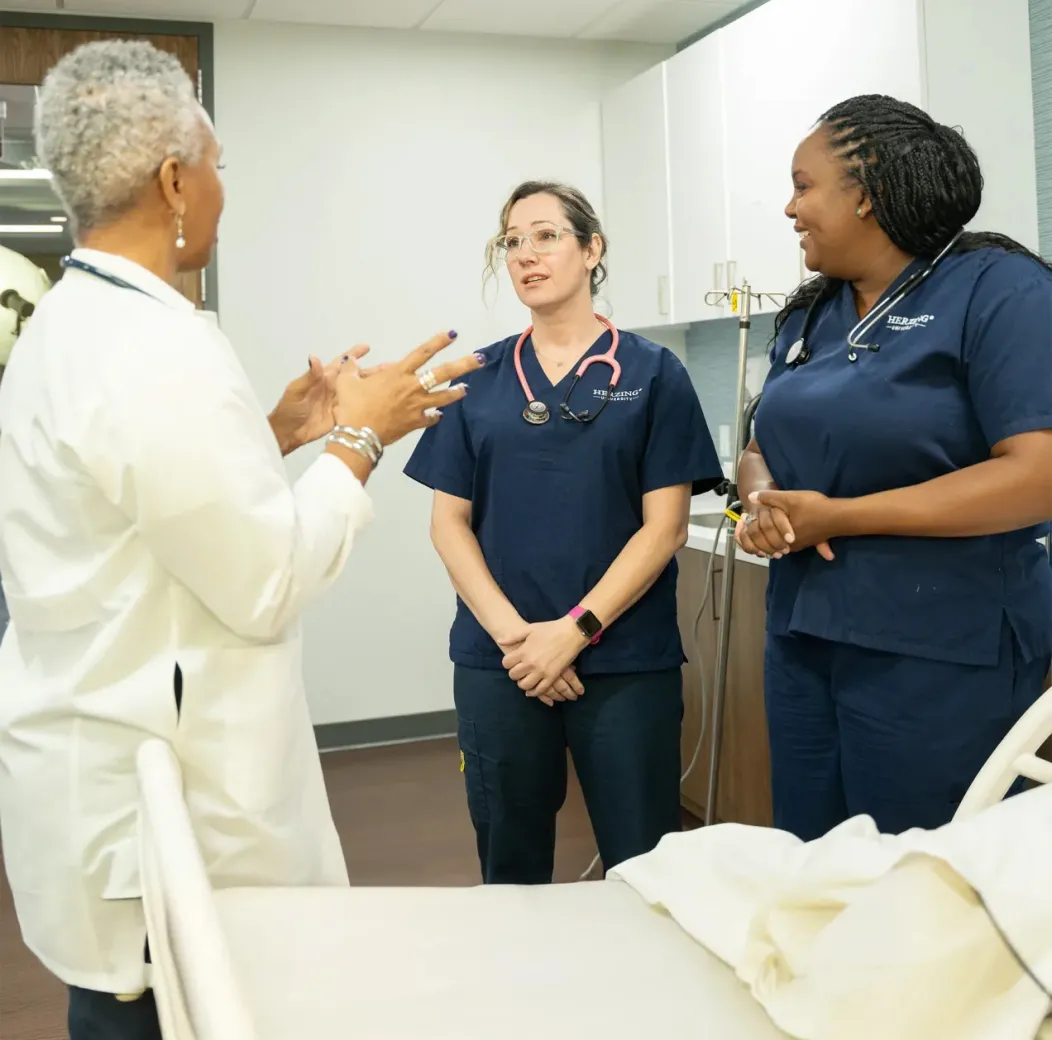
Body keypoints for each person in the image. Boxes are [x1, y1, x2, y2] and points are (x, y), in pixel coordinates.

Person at [0, 39, 481, 1040]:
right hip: (156, 813)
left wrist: (272, 435)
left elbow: (138, 514)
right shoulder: (151, 344)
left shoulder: (74, 322)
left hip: (97, 760)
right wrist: (358, 437)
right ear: (175, 180)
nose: (222, 188)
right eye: (216, 164)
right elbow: (264, 579)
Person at [735, 94, 1052, 841]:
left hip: (941, 643)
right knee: (814, 859)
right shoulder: (814, 313)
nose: (790, 207)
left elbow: (1038, 474)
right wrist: (762, 500)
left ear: (868, 192)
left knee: (927, 878)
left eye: (804, 185)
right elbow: (762, 444)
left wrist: (841, 516)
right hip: (807, 636)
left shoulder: (1002, 291)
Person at [404, 180, 723, 884]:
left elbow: (664, 527)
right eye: (512, 241)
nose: (526, 254)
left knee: (644, 863)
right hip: (502, 663)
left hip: (622, 663)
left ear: (591, 249)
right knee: (508, 857)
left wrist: (570, 633)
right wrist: (520, 640)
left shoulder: (653, 373)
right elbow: (448, 523)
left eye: (546, 235)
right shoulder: (476, 378)